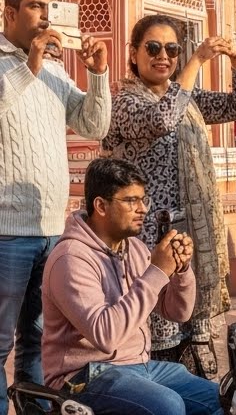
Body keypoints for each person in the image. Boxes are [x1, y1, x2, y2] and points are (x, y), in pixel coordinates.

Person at [101, 16, 236, 378]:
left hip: (187, 235)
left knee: (191, 337)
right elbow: (162, 119)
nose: (163, 56)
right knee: (157, 339)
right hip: (145, 239)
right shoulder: (123, 102)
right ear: (134, 54)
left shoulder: (187, 98)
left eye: (172, 49)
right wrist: (196, 61)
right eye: (152, 48)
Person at [0, 0, 111, 413]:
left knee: (38, 341)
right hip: (7, 231)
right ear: (9, 12)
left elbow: (93, 125)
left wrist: (98, 74)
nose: (47, 16)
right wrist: (31, 62)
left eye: (51, 7)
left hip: (51, 229)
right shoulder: (21, 64)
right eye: (35, 7)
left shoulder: (54, 69)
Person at [41, 158, 220, 415]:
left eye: (142, 199)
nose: (142, 209)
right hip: (84, 376)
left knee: (220, 398)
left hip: (142, 367)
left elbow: (178, 312)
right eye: (130, 201)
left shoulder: (133, 247)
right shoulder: (70, 258)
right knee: (167, 407)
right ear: (100, 205)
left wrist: (180, 270)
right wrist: (157, 271)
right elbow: (106, 336)